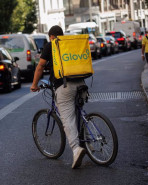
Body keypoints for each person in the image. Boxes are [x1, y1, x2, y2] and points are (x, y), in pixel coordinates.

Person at [30, 25, 86, 169]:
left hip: (64, 86)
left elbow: (40, 66)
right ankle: (87, 142)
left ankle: (76, 148)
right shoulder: (70, 43)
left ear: (51, 37)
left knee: (67, 119)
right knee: (78, 113)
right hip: (81, 83)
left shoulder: (51, 45)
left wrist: (34, 84)